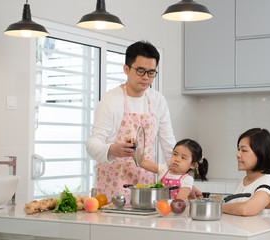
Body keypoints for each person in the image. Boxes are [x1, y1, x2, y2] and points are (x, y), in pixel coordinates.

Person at [85, 41, 176, 201]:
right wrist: (112, 149)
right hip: (113, 190)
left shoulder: (157, 100)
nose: (146, 77)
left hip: (146, 189)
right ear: (126, 69)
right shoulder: (111, 101)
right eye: (140, 71)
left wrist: (182, 179)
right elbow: (92, 144)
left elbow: (169, 147)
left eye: (151, 72)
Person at [222, 128, 270, 216]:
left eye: (244, 150)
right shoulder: (242, 181)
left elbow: (246, 209)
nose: (238, 154)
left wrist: (216, 206)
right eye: (238, 149)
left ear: (261, 153)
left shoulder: (268, 182)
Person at [136, 139, 208, 200]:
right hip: (159, 210)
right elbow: (142, 162)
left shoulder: (187, 179)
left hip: (174, 213)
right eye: (175, 154)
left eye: (183, 158)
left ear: (193, 165)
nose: (177, 159)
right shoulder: (164, 169)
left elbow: (179, 201)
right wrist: (133, 150)